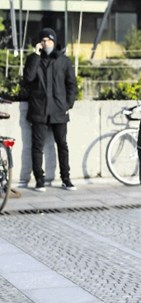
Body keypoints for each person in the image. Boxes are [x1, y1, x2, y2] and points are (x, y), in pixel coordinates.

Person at [23, 27, 78, 192]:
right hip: (39, 110)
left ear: (54, 41)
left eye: (49, 40)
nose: (46, 43)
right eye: (43, 40)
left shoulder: (64, 61)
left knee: (62, 145)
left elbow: (72, 85)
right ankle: (39, 180)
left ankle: (66, 179)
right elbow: (28, 79)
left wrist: (68, 104)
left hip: (59, 111)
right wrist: (35, 56)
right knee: (37, 146)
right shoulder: (34, 59)